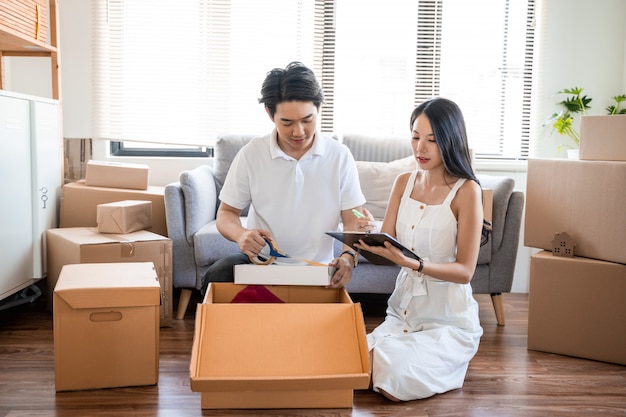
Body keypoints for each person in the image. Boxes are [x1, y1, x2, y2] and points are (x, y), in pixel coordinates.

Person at [353, 97, 484, 401]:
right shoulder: (403, 182)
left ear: (450, 141)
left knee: (392, 380)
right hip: (404, 313)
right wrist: (368, 232)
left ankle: (447, 361)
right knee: (353, 359)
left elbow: (465, 272)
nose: (419, 148)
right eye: (415, 137)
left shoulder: (466, 191)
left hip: (448, 321)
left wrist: (414, 264)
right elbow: (386, 245)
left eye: (431, 140)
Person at [200, 61, 365, 294]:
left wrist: (348, 256)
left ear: (318, 110)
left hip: (317, 269)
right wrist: (241, 234)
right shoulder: (252, 154)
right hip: (262, 264)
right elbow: (226, 213)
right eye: (287, 122)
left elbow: (353, 218)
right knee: (217, 275)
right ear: (270, 114)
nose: (299, 132)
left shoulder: (339, 156)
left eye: (307, 120)